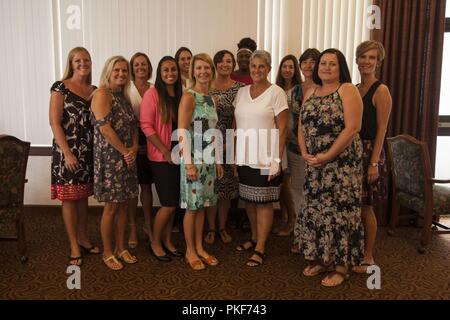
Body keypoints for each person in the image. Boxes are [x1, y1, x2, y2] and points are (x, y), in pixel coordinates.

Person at [297, 48, 364, 287]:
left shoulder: (348, 90)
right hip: (315, 165)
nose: (326, 67)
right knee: (315, 212)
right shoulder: (311, 91)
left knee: (340, 214)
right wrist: (305, 152)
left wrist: (327, 156)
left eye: (332, 64)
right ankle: (321, 258)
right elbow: (301, 124)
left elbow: (352, 128)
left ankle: (341, 266)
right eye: (323, 63)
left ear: (341, 67)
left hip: (341, 167)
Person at [234, 50, 288, 267]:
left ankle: (261, 247)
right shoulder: (242, 92)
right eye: (254, 66)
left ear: (268, 68)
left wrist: (276, 160)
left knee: (264, 203)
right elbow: (236, 125)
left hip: (266, 158)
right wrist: (234, 156)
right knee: (248, 199)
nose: (256, 70)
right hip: (245, 156)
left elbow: (282, 129)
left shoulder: (276, 93)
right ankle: (254, 237)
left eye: (261, 66)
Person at [49, 47, 100, 266]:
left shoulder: (95, 90)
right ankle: (73, 244)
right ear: (71, 63)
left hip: (88, 152)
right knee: (69, 198)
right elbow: (54, 122)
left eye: (86, 60)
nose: (82, 63)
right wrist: (67, 153)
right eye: (78, 60)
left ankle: (83, 236)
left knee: (82, 197)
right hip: (66, 153)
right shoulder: (60, 87)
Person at [91, 56, 139, 271]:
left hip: (127, 158)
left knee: (124, 206)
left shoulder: (124, 96)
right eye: (117, 70)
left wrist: (134, 149)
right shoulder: (102, 94)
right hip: (111, 159)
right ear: (108, 72)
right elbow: (105, 128)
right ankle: (108, 252)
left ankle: (121, 247)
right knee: (111, 208)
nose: (121, 74)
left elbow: (134, 126)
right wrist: (124, 152)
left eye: (124, 71)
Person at [178, 53, 224, 270]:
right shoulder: (189, 96)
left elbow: (213, 131)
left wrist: (219, 161)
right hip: (193, 160)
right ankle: (190, 251)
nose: (203, 72)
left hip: (209, 159)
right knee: (192, 208)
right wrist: (188, 163)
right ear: (193, 71)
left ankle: (199, 247)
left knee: (204, 205)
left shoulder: (212, 97)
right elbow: (182, 131)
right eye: (199, 68)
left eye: (207, 68)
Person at [352, 41, 392, 273]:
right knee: (353, 205)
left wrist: (374, 162)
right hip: (353, 152)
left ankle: (368, 255)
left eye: (372, 58)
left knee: (366, 207)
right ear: (356, 60)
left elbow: (382, 129)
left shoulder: (381, 90)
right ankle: (356, 249)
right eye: (363, 57)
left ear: (378, 62)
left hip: (370, 153)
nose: (367, 61)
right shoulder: (355, 88)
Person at [141, 56, 184, 262]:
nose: (170, 73)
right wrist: (165, 151)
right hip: (161, 157)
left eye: (173, 70)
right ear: (159, 72)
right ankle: (155, 242)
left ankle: (167, 241)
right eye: (166, 70)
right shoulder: (152, 94)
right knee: (167, 204)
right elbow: (146, 126)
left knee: (174, 204)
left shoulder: (181, 92)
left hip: (180, 156)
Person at [204, 50, 244, 245]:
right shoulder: (206, 87)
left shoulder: (241, 89)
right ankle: (211, 228)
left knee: (226, 188)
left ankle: (222, 227)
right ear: (215, 64)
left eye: (229, 61)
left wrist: (234, 146)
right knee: (211, 187)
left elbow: (241, 119)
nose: (225, 64)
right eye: (220, 61)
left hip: (230, 141)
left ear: (233, 64)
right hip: (208, 142)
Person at [291, 48, 320, 252]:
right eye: (305, 61)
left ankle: (317, 238)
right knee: (298, 193)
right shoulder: (295, 90)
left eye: (313, 61)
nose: (309, 65)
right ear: (300, 65)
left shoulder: (327, 88)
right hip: (296, 148)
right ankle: (299, 235)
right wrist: (300, 145)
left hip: (321, 152)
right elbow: (292, 122)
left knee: (317, 194)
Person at [127, 52, 154, 249]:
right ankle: (131, 228)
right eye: (136, 64)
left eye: (143, 64)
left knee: (146, 186)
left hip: (150, 140)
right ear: (132, 67)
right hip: (130, 141)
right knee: (131, 188)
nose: (140, 67)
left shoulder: (154, 89)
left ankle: (148, 225)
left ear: (149, 67)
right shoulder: (125, 87)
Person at [273, 54, 302, 237]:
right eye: (284, 66)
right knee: (282, 183)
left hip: (294, 143)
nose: (287, 70)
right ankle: (286, 218)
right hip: (279, 141)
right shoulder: (275, 89)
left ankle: (293, 221)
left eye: (291, 67)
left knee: (291, 185)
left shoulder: (300, 90)